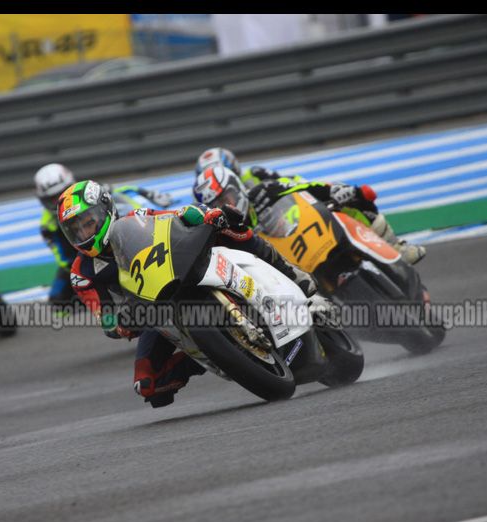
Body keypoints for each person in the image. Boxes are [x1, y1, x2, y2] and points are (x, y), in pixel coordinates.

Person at [57, 179, 319, 408]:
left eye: (89, 223)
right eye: (76, 230)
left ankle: (290, 272)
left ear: (105, 210)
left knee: (229, 224)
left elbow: (172, 216)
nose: (84, 233)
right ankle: (217, 356)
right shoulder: (82, 273)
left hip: (179, 269)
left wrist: (201, 215)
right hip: (152, 311)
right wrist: (119, 325)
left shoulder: (135, 217)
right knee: (147, 384)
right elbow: (103, 314)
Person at [195, 147, 426, 264]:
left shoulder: (257, 177)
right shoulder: (219, 219)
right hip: (272, 246)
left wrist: (332, 191)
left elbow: (292, 184)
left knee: (353, 201)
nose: (225, 203)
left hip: (292, 216)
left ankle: (396, 246)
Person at [34, 163, 173, 307]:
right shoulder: (47, 226)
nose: (60, 199)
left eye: (61, 192)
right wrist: (89, 262)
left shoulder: (88, 193)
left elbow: (122, 190)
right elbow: (62, 259)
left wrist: (149, 194)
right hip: (81, 253)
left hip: (121, 231)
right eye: (52, 198)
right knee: (57, 300)